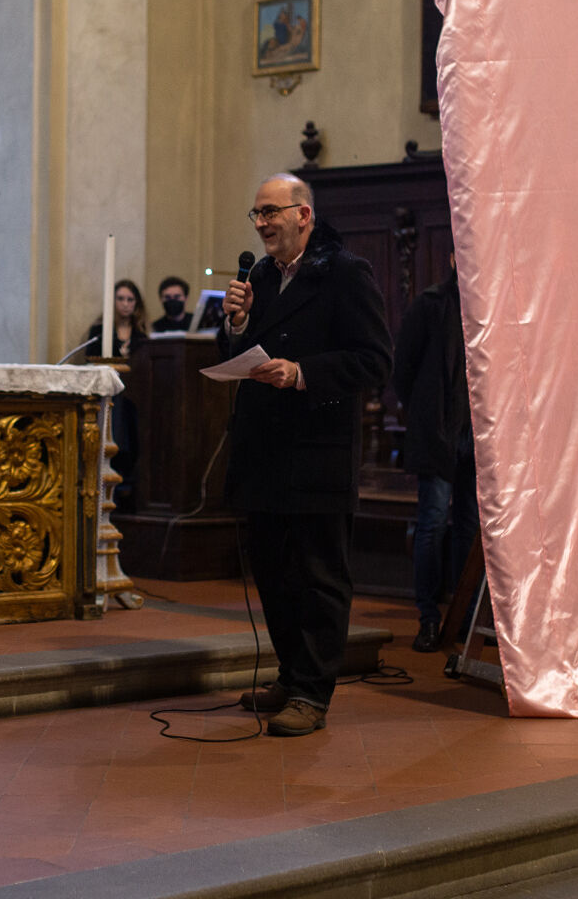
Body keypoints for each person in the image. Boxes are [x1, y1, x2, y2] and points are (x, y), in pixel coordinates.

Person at [220, 173, 391, 736]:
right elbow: (246, 355)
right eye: (256, 214)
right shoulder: (262, 277)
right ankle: (291, 676)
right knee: (273, 572)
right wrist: (238, 323)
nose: (263, 223)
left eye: (271, 212)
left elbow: (374, 360)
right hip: (264, 450)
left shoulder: (345, 273)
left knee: (319, 575)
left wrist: (303, 374)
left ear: (304, 216)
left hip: (317, 451)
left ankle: (313, 695)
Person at [392, 252, 479, 652]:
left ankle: (462, 618)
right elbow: (403, 369)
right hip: (439, 432)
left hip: (478, 435)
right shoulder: (430, 303)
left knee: (467, 527)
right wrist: (426, 414)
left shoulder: (492, 304)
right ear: (452, 258)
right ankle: (429, 618)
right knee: (430, 524)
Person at [84, 278, 147, 360]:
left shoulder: (141, 331)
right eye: (120, 299)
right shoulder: (99, 330)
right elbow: (90, 359)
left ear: (137, 303)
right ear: (112, 300)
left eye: (130, 300)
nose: (125, 304)